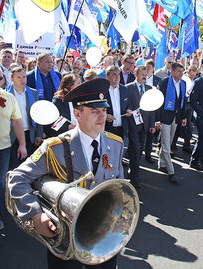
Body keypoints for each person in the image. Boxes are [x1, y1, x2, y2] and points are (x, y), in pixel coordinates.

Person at [7, 78, 124, 268]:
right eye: (94, 112)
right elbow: (17, 178)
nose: (102, 116)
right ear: (77, 113)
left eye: (103, 110)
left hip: (103, 237)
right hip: (65, 241)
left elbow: (119, 188)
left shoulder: (115, 143)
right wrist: (36, 215)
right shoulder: (55, 147)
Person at [0, 68, 27, 230]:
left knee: (1, 183)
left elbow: (17, 122)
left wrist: (22, 144)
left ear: (3, 80)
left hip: (3, 148)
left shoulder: (8, 98)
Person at [156, 62, 186, 184]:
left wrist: (183, 117)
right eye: (178, 71)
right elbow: (158, 102)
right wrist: (157, 120)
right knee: (166, 145)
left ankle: (161, 164)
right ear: (172, 71)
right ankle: (171, 171)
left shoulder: (183, 84)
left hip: (176, 118)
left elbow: (184, 101)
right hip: (165, 118)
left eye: (182, 71)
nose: (181, 74)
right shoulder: (164, 83)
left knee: (168, 141)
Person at [126, 65, 156, 188]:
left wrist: (152, 124)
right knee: (136, 149)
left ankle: (132, 168)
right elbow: (127, 104)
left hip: (145, 125)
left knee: (139, 150)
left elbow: (152, 108)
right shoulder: (128, 88)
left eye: (146, 74)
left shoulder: (149, 89)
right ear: (136, 74)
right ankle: (134, 176)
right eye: (142, 74)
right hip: (133, 125)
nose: (144, 76)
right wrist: (128, 110)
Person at [7, 67, 43, 168]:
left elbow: (37, 114)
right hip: (12, 134)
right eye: (19, 77)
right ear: (12, 79)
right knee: (13, 164)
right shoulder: (7, 94)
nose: (22, 80)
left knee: (27, 165)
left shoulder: (32, 93)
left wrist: (39, 134)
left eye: (24, 77)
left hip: (29, 133)